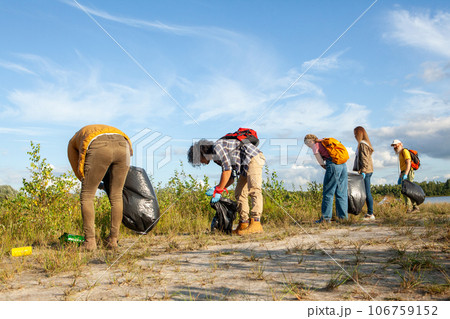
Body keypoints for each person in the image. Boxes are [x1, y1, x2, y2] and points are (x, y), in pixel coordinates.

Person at [68, 124, 132, 250]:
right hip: (123, 144)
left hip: (99, 145)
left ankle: (90, 242)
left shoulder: (72, 143)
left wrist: (90, 183)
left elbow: (79, 169)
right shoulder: (93, 130)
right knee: (116, 195)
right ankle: (113, 240)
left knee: (87, 195)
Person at [188, 136, 266, 235]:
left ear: (202, 153)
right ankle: (244, 224)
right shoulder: (216, 159)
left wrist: (219, 190)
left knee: (254, 189)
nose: (201, 163)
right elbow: (231, 178)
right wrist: (216, 188)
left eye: (199, 160)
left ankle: (256, 223)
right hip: (243, 166)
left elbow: (227, 171)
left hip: (253, 158)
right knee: (239, 193)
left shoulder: (217, 148)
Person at [304, 134, 348, 223]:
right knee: (341, 192)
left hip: (333, 164)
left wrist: (328, 168)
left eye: (307, 144)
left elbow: (320, 162)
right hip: (343, 164)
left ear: (310, 141)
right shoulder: (324, 141)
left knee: (328, 192)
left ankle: (326, 218)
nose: (308, 146)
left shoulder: (314, 145)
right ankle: (343, 218)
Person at [390, 139, 419, 213]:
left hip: (408, 172)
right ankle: (408, 208)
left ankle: (415, 207)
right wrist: (400, 177)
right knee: (404, 191)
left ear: (400, 144)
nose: (394, 147)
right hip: (403, 172)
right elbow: (402, 166)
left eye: (396, 145)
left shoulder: (405, 151)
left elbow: (408, 163)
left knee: (409, 191)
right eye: (393, 145)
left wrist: (406, 174)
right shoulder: (400, 153)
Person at [353, 126, 375, 220]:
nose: (354, 136)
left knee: (367, 193)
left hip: (366, 171)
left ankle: (370, 213)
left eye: (355, 134)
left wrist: (364, 172)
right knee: (366, 192)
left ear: (359, 134)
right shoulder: (365, 144)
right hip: (367, 170)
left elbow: (364, 159)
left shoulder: (362, 144)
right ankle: (369, 212)